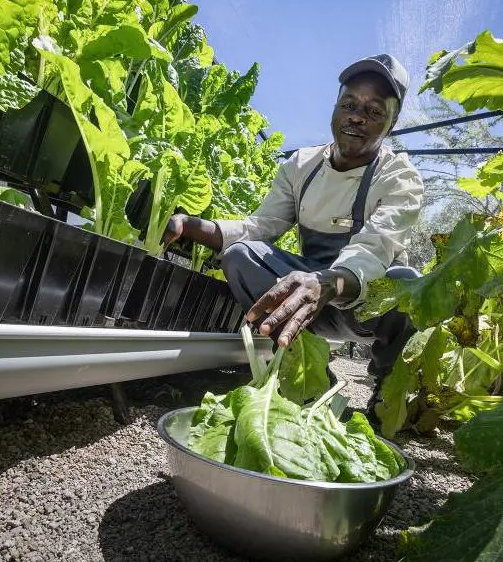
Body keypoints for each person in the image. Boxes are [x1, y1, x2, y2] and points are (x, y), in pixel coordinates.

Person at [164, 54, 424, 418]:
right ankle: (315, 377)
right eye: (349, 104)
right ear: (335, 108)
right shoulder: (301, 165)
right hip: (301, 300)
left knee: (407, 284)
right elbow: (263, 226)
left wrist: (327, 282)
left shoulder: (400, 177)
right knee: (241, 255)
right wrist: (198, 227)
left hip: (364, 306)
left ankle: (388, 391)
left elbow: (375, 246)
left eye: (374, 111)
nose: (356, 116)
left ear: (391, 124)